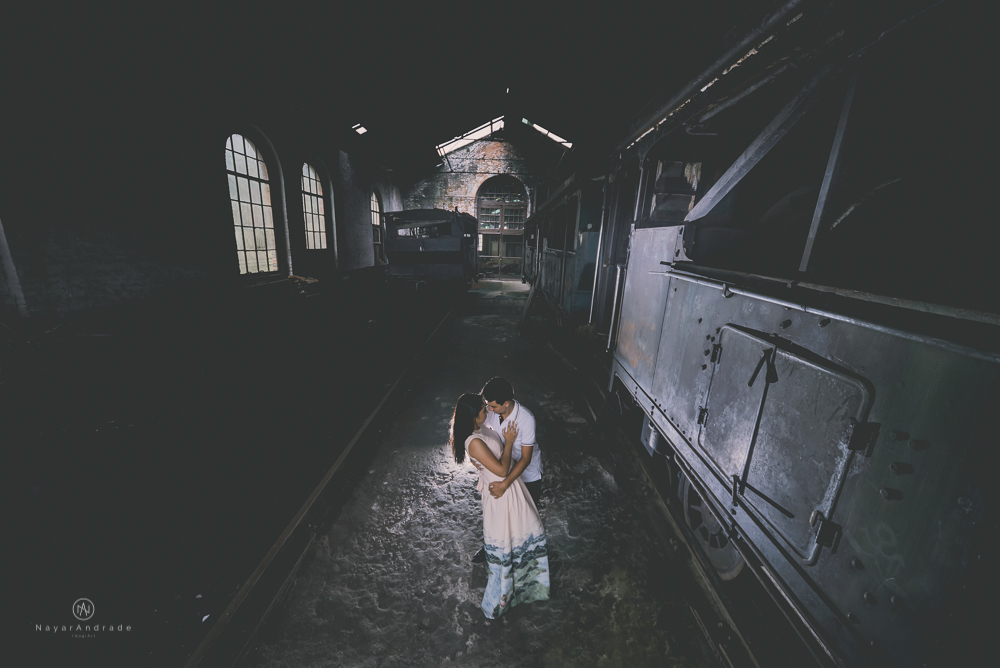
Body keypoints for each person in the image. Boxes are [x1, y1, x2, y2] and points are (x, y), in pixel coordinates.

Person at [451, 393, 550, 619]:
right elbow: (502, 470)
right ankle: (501, 599)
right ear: (473, 416)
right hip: (501, 492)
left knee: (523, 534)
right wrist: (510, 441)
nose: (487, 412)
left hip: (511, 487)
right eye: (483, 410)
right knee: (507, 541)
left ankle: (526, 588)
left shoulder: (480, 428)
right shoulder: (473, 442)